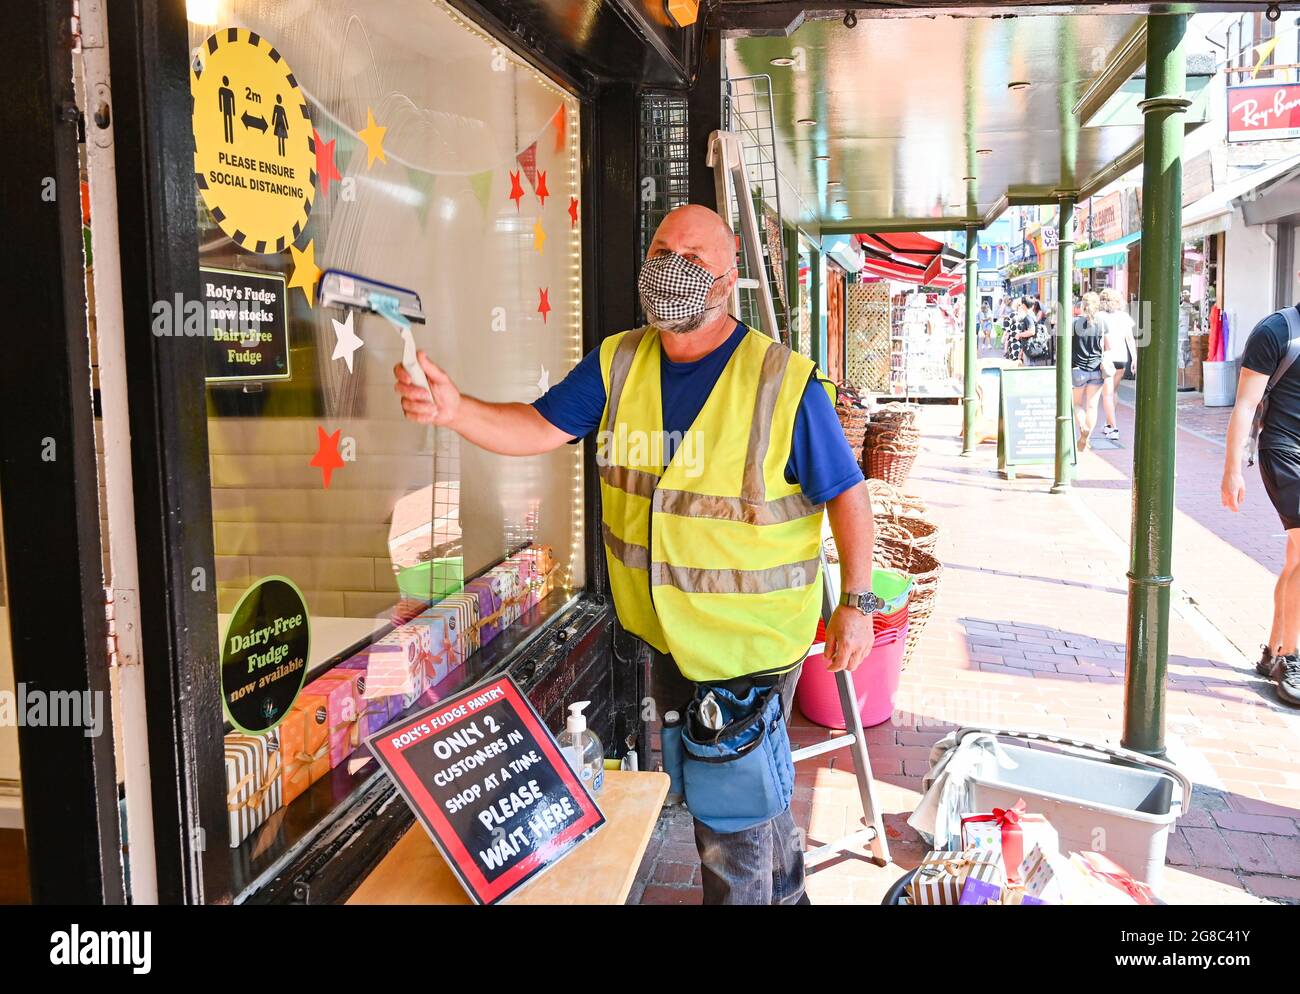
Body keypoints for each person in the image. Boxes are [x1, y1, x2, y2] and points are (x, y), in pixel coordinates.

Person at [393, 204, 878, 903]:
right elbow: (537, 426)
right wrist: (454, 410)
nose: (670, 269)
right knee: (749, 790)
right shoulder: (619, 362)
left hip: (749, 645)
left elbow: (847, 494)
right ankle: (791, 893)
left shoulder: (781, 382)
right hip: (664, 636)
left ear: (729, 274)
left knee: (723, 816)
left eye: (693, 258)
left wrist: (857, 605)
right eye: (661, 250)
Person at [1222, 293, 1300, 708]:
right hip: (1285, 452)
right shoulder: (1278, 331)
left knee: (1295, 558)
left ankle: (1273, 650)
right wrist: (1232, 469)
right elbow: (1247, 404)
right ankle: (1292, 659)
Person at [1098, 288, 1138, 441]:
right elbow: (1130, 338)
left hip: (1107, 357)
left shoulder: (1099, 316)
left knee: (1107, 394)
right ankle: (1108, 424)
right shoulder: (1123, 316)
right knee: (1113, 392)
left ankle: (1113, 428)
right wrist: (1134, 358)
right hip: (1122, 358)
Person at [1071, 291, 1106, 450]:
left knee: (1076, 404)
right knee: (1092, 406)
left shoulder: (1074, 323)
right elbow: (1109, 347)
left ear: (1082, 306)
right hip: (1097, 369)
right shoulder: (1102, 323)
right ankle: (1087, 439)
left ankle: (1083, 427)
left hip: (1078, 370)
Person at [1004, 296, 1035, 365]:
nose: (1020, 306)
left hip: (1022, 345)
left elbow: (1032, 331)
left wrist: (1019, 335)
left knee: (1018, 366)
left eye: (1021, 305)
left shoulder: (1027, 316)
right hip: (1023, 345)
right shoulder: (1028, 315)